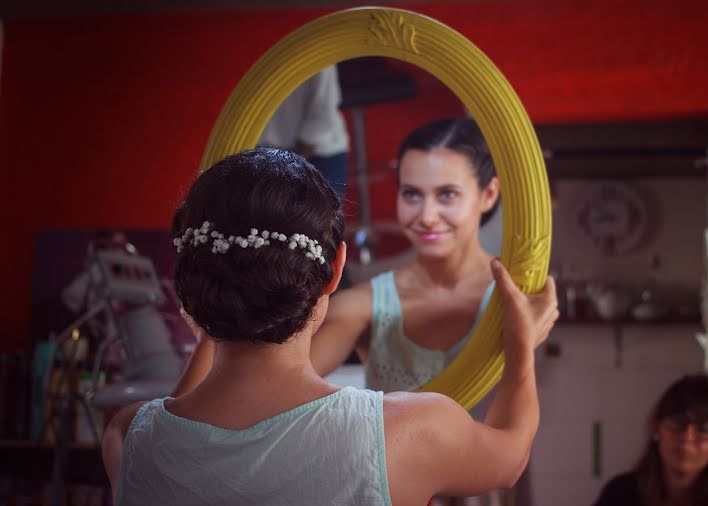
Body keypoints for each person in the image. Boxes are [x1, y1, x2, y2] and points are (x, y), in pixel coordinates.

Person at [101, 147, 558, 505]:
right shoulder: (410, 431)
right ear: (335, 269)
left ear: (188, 280)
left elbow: (182, 421)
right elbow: (511, 452)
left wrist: (215, 319)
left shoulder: (127, 438)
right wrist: (520, 349)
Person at [175, 117, 502, 395]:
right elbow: (255, 393)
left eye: (447, 194)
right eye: (411, 194)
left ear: (488, 195)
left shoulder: (520, 294)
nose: (427, 215)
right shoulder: (364, 306)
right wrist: (213, 330)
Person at [593, 374, 708, 506]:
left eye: (703, 430)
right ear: (657, 430)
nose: (687, 438)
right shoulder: (622, 493)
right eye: (679, 424)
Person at [258, 65, 350, 198]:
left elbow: (324, 114)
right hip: (268, 150)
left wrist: (293, 165)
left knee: (320, 215)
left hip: (318, 151)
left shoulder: (318, 51)